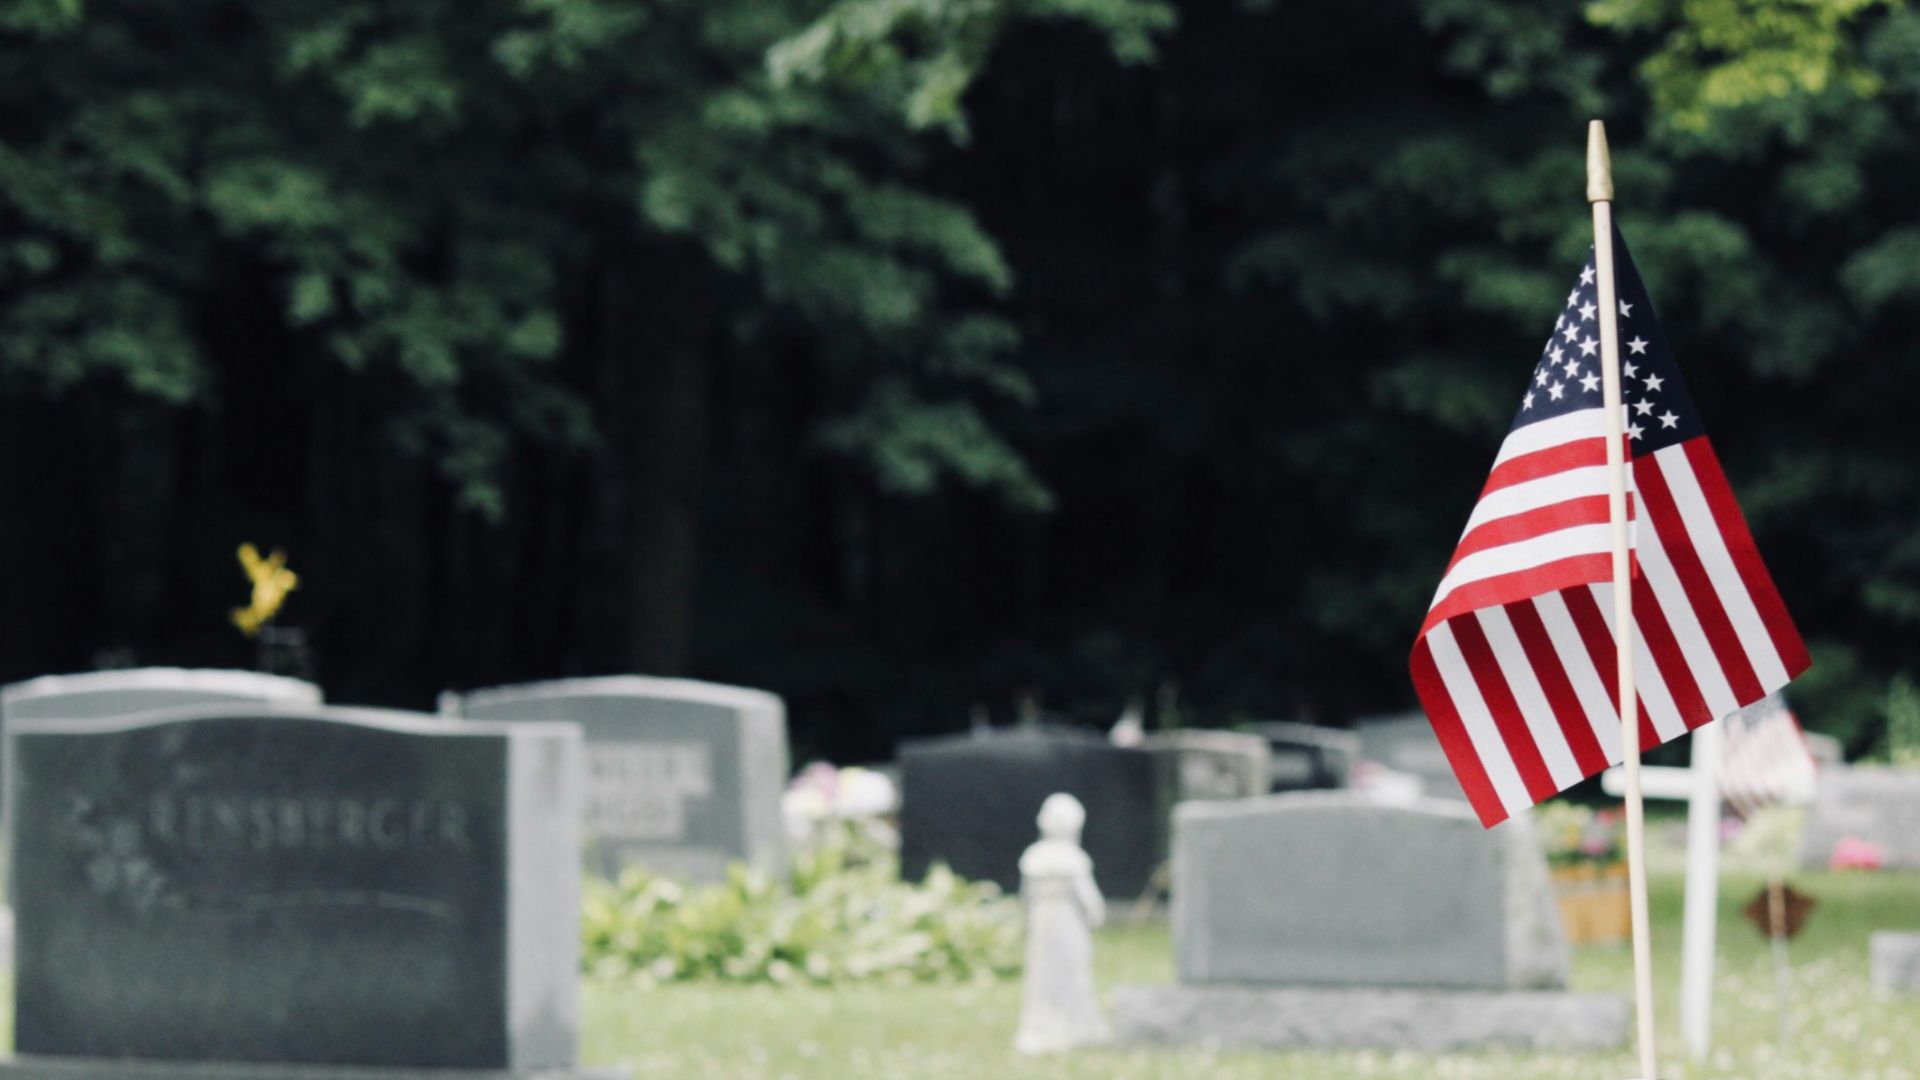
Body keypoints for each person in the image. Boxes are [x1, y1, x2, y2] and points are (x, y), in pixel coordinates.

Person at [1014, 792, 1112, 1053]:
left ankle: (1052, 1027)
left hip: (1042, 920)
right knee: (1068, 971)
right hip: (1067, 921)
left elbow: (1026, 896)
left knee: (1049, 972)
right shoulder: (1073, 858)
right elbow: (1088, 897)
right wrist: (1096, 914)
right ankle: (1071, 1027)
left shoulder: (1034, 856)